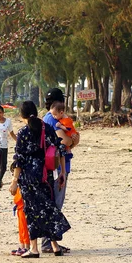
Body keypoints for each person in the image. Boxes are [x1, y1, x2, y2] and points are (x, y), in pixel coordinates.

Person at [9, 100, 71, 258]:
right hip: (46, 174)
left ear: (22, 115)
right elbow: (60, 149)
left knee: (32, 211)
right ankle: (55, 245)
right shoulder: (48, 128)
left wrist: (14, 181)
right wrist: (62, 172)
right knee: (47, 207)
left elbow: (19, 159)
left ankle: (34, 248)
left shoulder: (23, 132)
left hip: (28, 177)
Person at [42, 88, 75, 254]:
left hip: (55, 165)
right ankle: (49, 242)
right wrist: (74, 140)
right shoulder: (53, 120)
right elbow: (67, 140)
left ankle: (50, 241)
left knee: (54, 202)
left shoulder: (48, 118)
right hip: (57, 167)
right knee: (55, 203)